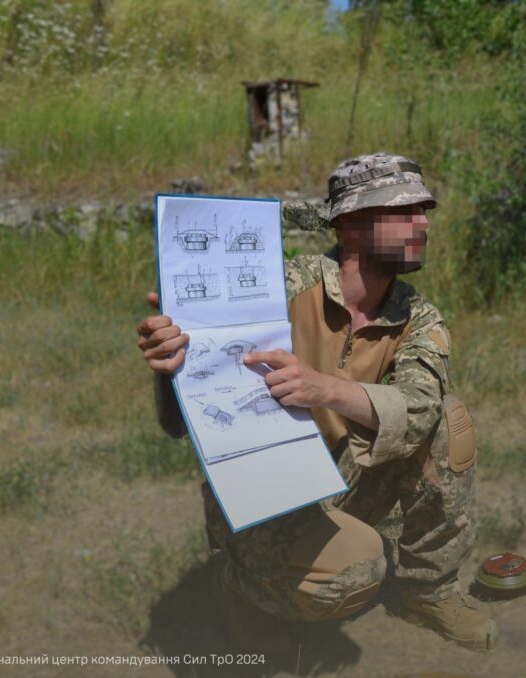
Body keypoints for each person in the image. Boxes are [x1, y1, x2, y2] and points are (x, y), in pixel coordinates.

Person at [135, 153, 498, 652]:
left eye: (424, 212)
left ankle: (427, 591)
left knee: (448, 418)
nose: (422, 225)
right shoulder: (277, 288)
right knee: (356, 572)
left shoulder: (417, 316)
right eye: (403, 211)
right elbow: (179, 421)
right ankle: (241, 587)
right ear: (350, 223)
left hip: (346, 481)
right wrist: (173, 363)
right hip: (263, 494)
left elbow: (418, 409)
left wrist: (323, 388)